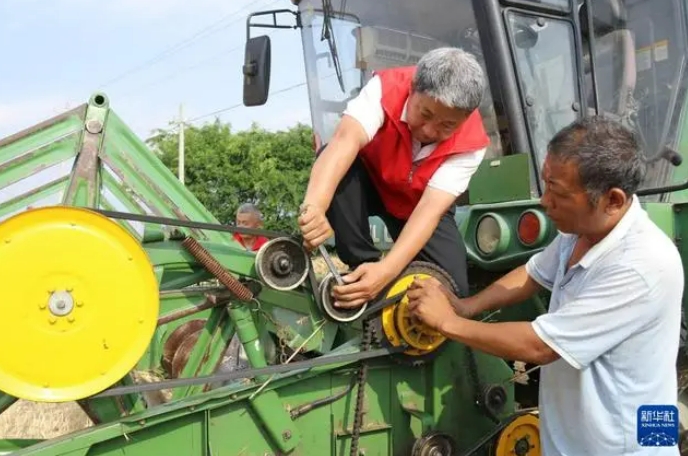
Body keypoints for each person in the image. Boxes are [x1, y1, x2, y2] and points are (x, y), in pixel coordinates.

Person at [407, 116, 684, 455]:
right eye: (545, 184)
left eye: (558, 193)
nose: (544, 202)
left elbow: (540, 347)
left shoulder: (643, 264)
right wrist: (466, 306)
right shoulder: (582, 231)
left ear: (612, 201)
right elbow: (532, 274)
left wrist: (448, 323)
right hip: (571, 440)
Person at [298, 47, 490, 309]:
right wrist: (315, 207)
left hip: (418, 203)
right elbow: (343, 143)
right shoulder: (383, 89)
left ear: (465, 118)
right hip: (372, 183)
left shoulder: (473, 142)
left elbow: (429, 211)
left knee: (453, 288)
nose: (430, 131)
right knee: (337, 164)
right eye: (425, 114)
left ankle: (386, 286)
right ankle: (361, 268)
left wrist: (388, 272)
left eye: (447, 126)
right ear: (412, 90)